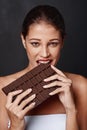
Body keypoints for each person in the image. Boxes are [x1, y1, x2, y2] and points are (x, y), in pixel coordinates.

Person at [0, 5, 87, 130]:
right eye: (35, 43)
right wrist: (15, 125)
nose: (45, 54)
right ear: (24, 40)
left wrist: (71, 110)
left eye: (53, 43)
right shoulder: (1, 88)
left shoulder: (81, 87)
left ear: (62, 42)